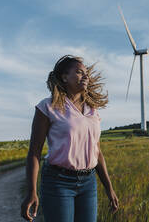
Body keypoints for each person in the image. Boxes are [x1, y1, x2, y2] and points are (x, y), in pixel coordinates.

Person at [21, 55, 119, 222]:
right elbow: (34, 152)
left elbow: (97, 152)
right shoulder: (48, 106)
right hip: (58, 182)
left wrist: (109, 188)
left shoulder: (93, 111)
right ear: (64, 77)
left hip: (88, 182)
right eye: (79, 72)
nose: (86, 76)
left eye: (86, 73)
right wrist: (31, 191)